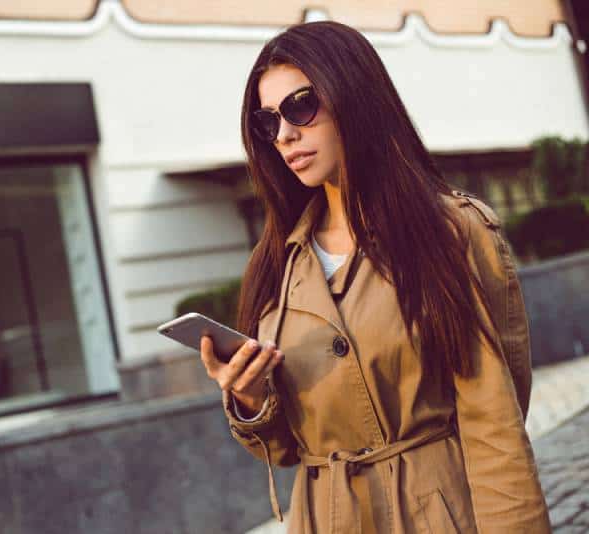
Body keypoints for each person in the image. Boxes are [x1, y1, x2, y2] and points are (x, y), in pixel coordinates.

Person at [198, 20, 551, 534]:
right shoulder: (276, 262)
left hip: (441, 510)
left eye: (301, 106)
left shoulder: (451, 230)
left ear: (354, 97)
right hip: (326, 519)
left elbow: (495, 423)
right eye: (266, 122)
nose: (286, 134)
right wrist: (250, 398)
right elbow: (284, 449)